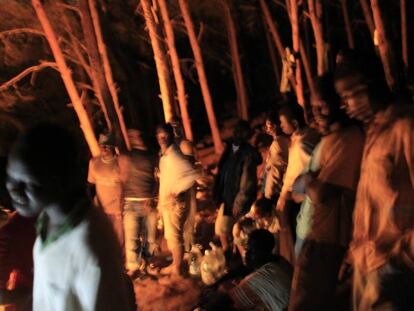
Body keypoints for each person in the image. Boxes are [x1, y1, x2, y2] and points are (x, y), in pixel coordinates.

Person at [6, 122, 130, 310]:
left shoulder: (89, 245)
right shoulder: (48, 220)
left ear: (58, 177)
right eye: (10, 177)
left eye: (27, 182)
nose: (13, 189)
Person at [335, 52, 414, 310]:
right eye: (342, 98)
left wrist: (398, 264)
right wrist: (354, 255)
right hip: (367, 263)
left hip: (394, 271)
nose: (345, 105)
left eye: (349, 95)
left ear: (370, 85)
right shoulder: (374, 130)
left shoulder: (404, 128)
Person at [288, 74, 364, 310]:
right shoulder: (328, 141)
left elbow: (319, 194)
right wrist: (310, 181)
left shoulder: (348, 140)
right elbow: (297, 191)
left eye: (322, 105)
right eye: (312, 107)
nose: (316, 113)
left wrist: (308, 181)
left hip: (325, 238)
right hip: (310, 231)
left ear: (340, 102)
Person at [156, 123, 201, 279]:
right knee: (172, 236)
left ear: (171, 136)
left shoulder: (174, 155)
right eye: (160, 135)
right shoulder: (165, 155)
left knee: (174, 237)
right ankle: (176, 265)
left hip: (174, 204)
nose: (162, 138)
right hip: (169, 203)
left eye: (165, 135)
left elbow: (192, 175)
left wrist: (177, 192)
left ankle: (177, 269)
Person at [276, 103, 319, 265]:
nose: (280, 126)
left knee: (299, 238)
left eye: (282, 123)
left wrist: (287, 194)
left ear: (294, 124)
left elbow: (305, 171)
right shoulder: (304, 137)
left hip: (299, 197)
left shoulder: (302, 144)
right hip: (297, 195)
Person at [213, 120, 262, 252]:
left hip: (236, 200)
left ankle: (244, 260)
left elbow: (247, 183)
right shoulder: (230, 149)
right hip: (227, 197)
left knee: (239, 233)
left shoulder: (247, 156)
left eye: (239, 132)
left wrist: (239, 203)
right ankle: (231, 254)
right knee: (223, 231)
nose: (235, 134)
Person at [118, 129, 158, 277]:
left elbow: (157, 179)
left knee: (150, 238)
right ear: (129, 139)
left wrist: (152, 196)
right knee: (131, 238)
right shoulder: (125, 156)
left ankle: (147, 264)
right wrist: (119, 204)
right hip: (130, 203)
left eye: (137, 135)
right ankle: (134, 267)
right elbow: (121, 181)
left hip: (148, 203)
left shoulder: (152, 156)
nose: (135, 138)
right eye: (132, 136)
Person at [229, 229, 292, 311]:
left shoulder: (260, 278)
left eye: (250, 250)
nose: (246, 254)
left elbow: (228, 301)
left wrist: (222, 288)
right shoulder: (279, 261)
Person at [87, 132, 124, 248]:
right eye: (101, 145)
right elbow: (90, 185)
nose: (104, 148)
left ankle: (123, 262)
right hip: (101, 209)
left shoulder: (121, 162)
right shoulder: (93, 163)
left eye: (107, 145)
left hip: (118, 209)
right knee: (104, 238)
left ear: (113, 146)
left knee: (120, 238)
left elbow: (128, 185)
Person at [261, 111, 290, 203]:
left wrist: (267, 196)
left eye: (269, 125)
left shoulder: (277, 145)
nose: (268, 129)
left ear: (277, 125)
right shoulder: (287, 139)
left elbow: (274, 171)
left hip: (277, 191)